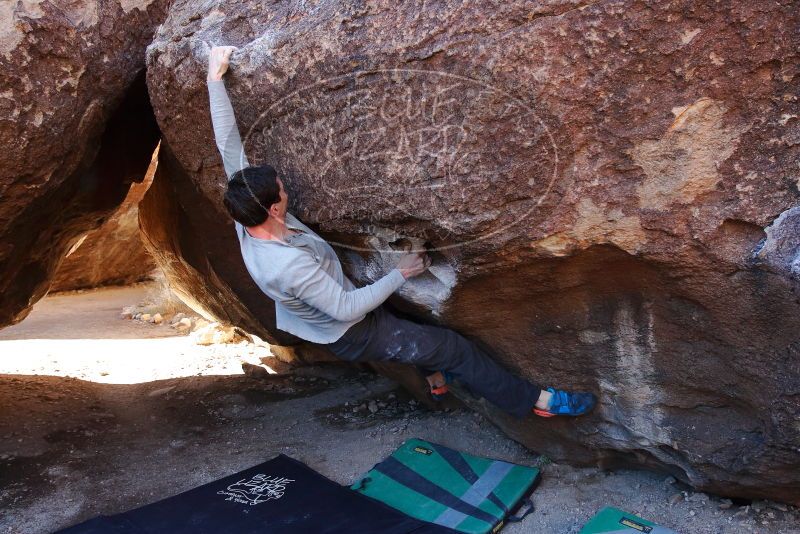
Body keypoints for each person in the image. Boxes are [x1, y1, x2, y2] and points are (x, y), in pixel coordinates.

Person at [206, 46, 596, 418]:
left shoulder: (248, 216)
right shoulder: (285, 264)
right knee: (452, 347)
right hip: (350, 331)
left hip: (324, 315)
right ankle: (536, 401)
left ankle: (434, 378)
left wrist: (214, 79)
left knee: (415, 323)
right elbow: (346, 308)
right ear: (275, 208)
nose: (287, 189)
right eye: (283, 189)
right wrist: (402, 272)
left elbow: (228, 149)